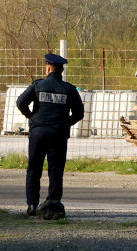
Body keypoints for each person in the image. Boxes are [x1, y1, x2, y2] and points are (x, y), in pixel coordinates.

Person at [16, 53, 85, 216]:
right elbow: (79, 113)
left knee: (34, 169)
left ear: (48, 68)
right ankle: (53, 202)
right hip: (58, 134)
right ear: (61, 70)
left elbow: (20, 102)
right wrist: (66, 123)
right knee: (55, 169)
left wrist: (31, 117)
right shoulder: (69, 89)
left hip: (38, 133)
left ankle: (32, 205)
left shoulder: (38, 85)